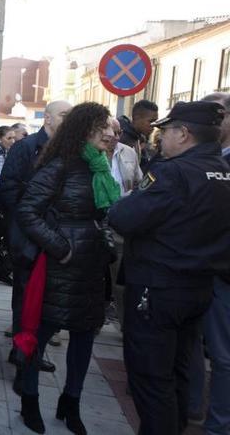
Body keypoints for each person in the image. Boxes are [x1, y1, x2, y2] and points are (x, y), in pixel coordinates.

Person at [109, 100, 230, 435]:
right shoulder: (224, 171)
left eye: (167, 131)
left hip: (158, 287)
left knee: (151, 380)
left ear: (185, 133)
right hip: (200, 287)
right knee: (178, 372)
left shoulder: (173, 172)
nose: (161, 138)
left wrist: (125, 203)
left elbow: (124, 217)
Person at [14, 102, 119, 434]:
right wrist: (61, 248)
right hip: (58, 268)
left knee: (84, 337)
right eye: (102, 126)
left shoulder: (101, 167)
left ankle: (70, 404)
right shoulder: (59, 166)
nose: (110, 132)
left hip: (90, 269)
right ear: (83, 129)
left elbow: (102, 214)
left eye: (111, 127)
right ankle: (29, 400)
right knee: (39, 335)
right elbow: (27, 211)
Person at [0, 100, 72, 381]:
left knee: (46, 300)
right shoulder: (25, 148)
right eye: (64, 115)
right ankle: (21, 353)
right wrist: (27, 224)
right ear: (49, 119)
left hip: (54, 240)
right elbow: (8, 190)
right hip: (28, 239)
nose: (68, 120)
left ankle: (34, 352)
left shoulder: (70, 151)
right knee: (25, 297)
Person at [187, 92, 230, 435]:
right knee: (194, 341)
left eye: (218, 116)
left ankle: (217, 426)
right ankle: (192, 409)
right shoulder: (215, 159)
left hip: (221, 272)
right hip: (201, 269)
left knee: (223, 356)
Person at [103, 116, 143, 329]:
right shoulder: (89, 152)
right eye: (111, 131)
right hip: (95, 222)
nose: (115, 137)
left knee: (119, 278)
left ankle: (125, 324)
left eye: (119, 133)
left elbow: (139, 183)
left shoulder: (128, 152)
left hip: (120, 225)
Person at [119, 99, 158, 169]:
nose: (154, 126)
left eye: (155, 121)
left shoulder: (139, 138)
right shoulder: (122, 139)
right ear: (137, 118)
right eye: (151, 121)